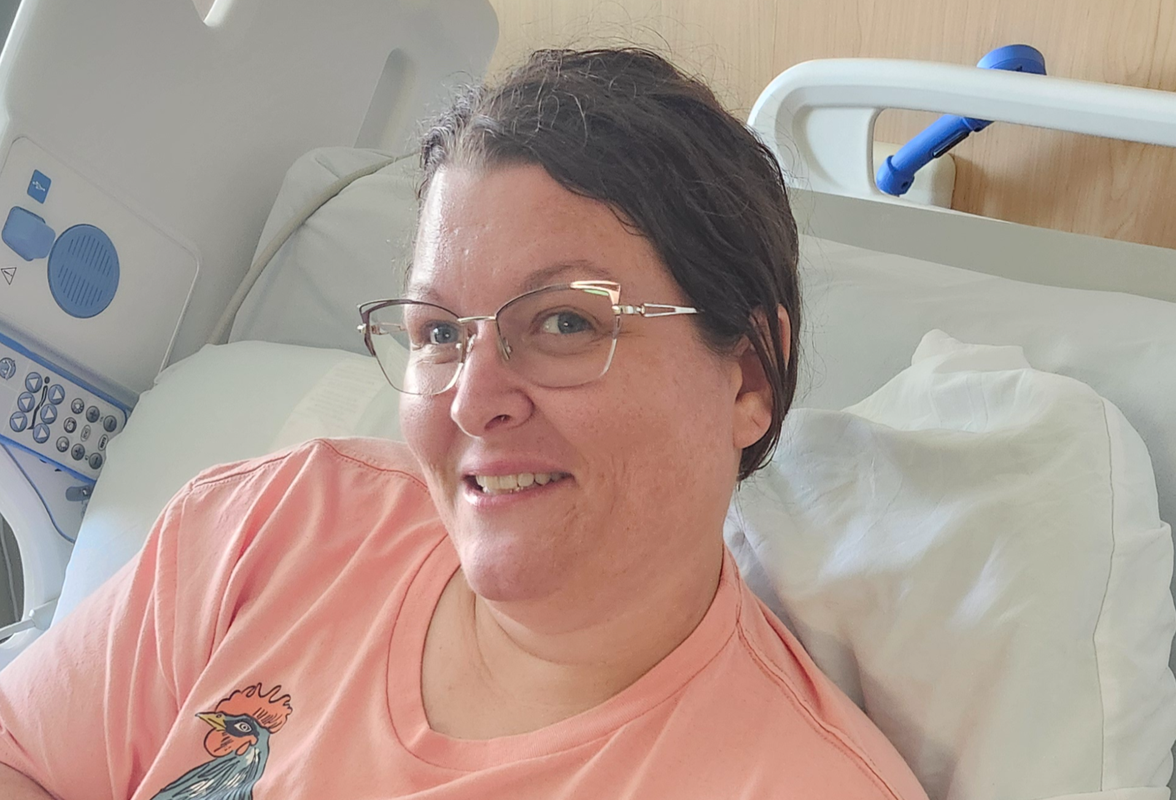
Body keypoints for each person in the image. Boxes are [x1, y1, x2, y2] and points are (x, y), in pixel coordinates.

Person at [0, 48, 930, 799]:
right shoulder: (273, 527)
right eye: (440, 333)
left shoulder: (800, 781)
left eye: (564, 323)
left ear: (749, 376)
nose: (473, 399)